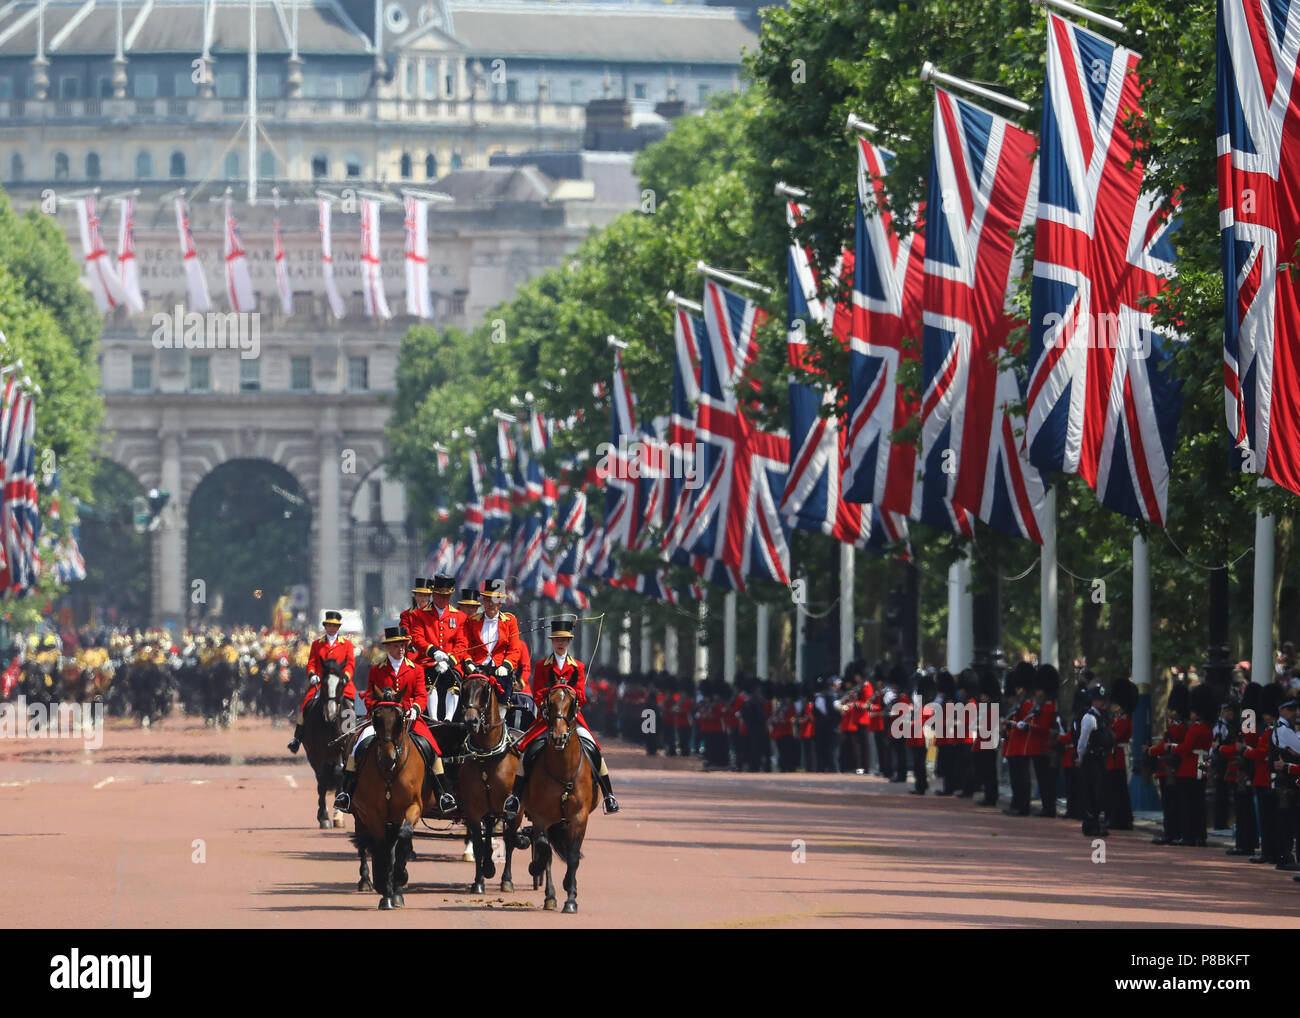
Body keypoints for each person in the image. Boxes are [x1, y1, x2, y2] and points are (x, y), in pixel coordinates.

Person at [332, 625, 457, 815]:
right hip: (382, 722)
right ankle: (346, 793)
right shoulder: (377, 670)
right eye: (396, 646)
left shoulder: (416, 670)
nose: (401, 649)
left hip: (409, 720)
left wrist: (415, 708)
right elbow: (369, 697)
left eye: (403, 646)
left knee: (432, 748)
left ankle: (442, 794)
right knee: (358, 746)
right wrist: (377, 708)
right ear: (388, 648)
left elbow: (422, 695)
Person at [504, 615, 619, 817]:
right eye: (557, 640)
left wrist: (571, 700)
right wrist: (550, 702)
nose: (560, 643)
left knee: (594, 750)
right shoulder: (542, 666)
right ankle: (515, 797)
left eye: (564, 640)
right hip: (547, 719)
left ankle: (609, 795)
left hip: (572, 719)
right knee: (525, 753)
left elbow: (582, 696)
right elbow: (538, 692)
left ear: (569, 642)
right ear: (552, 642)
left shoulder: (578, 667)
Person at [400, 574, 468, 722]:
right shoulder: (419, 615)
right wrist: (434, 652)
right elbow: (417, 638)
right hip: (428, 661)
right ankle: (433, 718)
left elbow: (462, 643)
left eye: (446, 596)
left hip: (451, 663)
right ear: (433, 594)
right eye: (439, 596)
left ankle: (449, 718)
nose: (442, 600)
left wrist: (450, 660)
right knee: (429, 682)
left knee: (454, 683)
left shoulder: (460, 616)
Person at [287, 610, 356, 754]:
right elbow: (311, 662)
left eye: (335, 625)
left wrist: (346, 676)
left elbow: (350, 663)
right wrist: (312, 675)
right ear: (325, 626)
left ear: (338, 627)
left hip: (342, 683)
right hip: (321, 683)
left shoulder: (347, 644)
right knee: (306, 706)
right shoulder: (317, 644)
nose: (332, 628)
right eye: (329, 625)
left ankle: (356, 738)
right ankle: (297, 738)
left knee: (355, 707)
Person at [460, 579, 523, 719]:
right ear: (483, 601)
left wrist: (506, 665)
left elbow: (515, 649)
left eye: (494, 600)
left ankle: (500, 723)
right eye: (487, 600)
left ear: (500, 602)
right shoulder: (473, 621)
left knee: (502, 690)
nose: (490, 604)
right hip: (478, 668)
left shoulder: (510, 621)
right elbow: (466, 646)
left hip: (500, 669)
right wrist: (469, 662)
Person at [1075, 683, 1113, 837]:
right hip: (1091, 759)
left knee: (1099, 793)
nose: (1102, 702)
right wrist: (1080, 757)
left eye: (1103, 700)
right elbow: (1082, 742)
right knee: (1091, 792)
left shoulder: (1102, 717)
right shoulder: (1089, 717)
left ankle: (1096, 822)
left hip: (1100, 758)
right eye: (1098, 700)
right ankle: (1090, 824)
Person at [1002, 662, 1036, 816]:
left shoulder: (1028, 703)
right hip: (1013, 744)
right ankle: (1017, 804)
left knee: (1022, 777)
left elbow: (1027, 725)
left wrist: (1009, 723)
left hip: (1022, 745)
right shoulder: (1020, 703)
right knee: (1015, 778)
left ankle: (1023, 806)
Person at [1104, 677, 1137, 829]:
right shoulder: (1118, 719)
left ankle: (1121, 819)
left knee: (1119, 789)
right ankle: (1116, 817)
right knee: (1113, 789)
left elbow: (1114, 737)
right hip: (1113, 756)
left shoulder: (1124, 720)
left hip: (1119, 756)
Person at [1028, 665, 1060, 817]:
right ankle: (1047, 807)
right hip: (1040, 746)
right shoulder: (1042, 703)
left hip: (1046, 747)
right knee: (1043, 779)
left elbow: (1043, 727)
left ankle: (1049, 808)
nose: (1037, 692)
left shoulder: (1049, 705)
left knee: (1047, 780)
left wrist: (1029, 726)